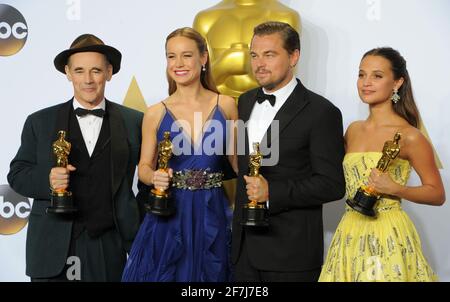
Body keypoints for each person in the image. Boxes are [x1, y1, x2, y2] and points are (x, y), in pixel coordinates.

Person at [7, 34, 144, 282]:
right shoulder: (39, 121)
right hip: (52, 246)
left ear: (109, 72)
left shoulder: (134, 121)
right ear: (68, 73)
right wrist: (48, 180)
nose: (88, 80)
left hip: (109, 246)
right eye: (79, 71)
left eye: (96, 70)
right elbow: (17, 175)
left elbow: (146, 181)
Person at [319, 47, 446, 282]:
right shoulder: (353, 130)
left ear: (397, 82)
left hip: (388, 231)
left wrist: (396, 189)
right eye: (361, 74)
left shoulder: (409, 136)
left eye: (377, 76)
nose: (366, 82)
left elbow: (437, 194)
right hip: (349, 230)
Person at [232, 21, 346, 282]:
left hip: (291, 255)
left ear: (294, 56)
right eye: (254, 55)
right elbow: (245, 167)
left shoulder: (322, 112)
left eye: (269, 55)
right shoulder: (246, 100)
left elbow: (332, 185)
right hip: (243, 251)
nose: (259, 64)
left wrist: (273, 192)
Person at [121, 27, 238, 282]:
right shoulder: (155, 113)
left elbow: (236, 162)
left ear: (203, 58)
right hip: (170, 213)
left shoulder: (227, 105)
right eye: (171, 56)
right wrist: (154, 178)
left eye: (186, 55)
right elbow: (144, 167)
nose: (178, 63)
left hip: (213, 209)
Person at [194, 0, 300, 98]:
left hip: (270, 107)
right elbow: (199, 81)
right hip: (218, 109)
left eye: (269, 55)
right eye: (254, 55)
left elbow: (285, 76)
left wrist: (246, 63)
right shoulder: (206, 19)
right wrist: (225, 65)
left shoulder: (285, 16)